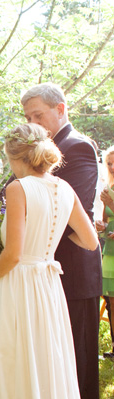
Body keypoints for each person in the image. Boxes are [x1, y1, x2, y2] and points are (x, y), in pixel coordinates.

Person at [0, 124, 97, 399]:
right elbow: (90, 241)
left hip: (21, 285)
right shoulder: (64, 188)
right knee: (50, 361)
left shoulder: (19, 188)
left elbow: (13, 254)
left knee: (15, 359)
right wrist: (48, 248)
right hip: (49, 284)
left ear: (16, 156)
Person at [21, 83, 102, 399]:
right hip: (43, 272)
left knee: (78, 359)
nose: (32, 124)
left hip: (74, 273)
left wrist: (32, 242)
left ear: (61, 108)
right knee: (53, 358)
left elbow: (72, 212)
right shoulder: (34, 154)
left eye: (38, 115)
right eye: (27, 117)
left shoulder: (78, 148)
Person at [95, 146, 114, 359]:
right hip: (110, 251)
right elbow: (107, 220)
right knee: (111, 300)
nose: (112, 166)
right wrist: (101, 226)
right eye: (108, 163)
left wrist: (111, 202)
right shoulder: (109, 187)